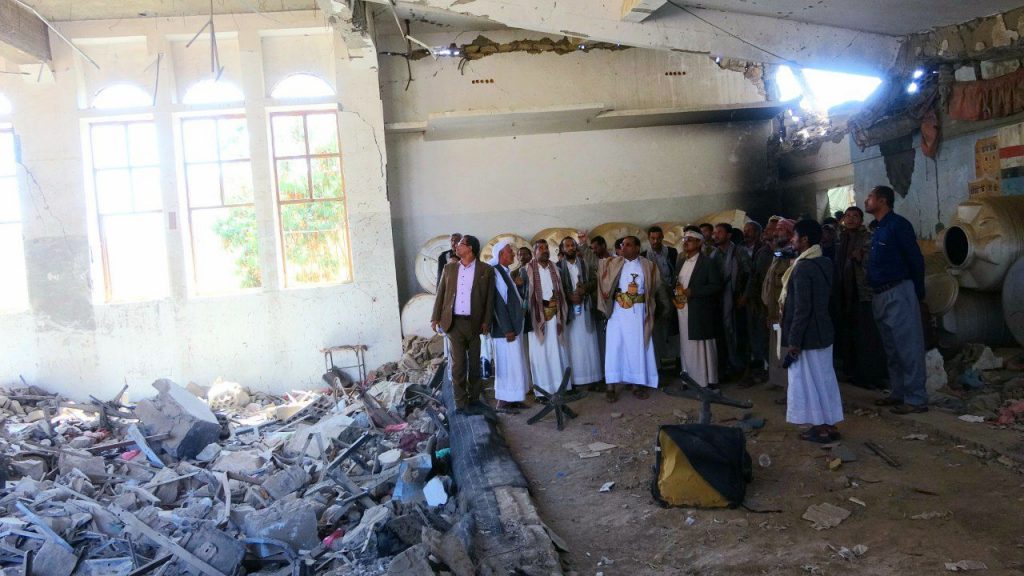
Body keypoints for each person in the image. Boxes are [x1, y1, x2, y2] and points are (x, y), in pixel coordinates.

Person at [865, 185, 928, 414]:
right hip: (880, 294)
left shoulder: (898, 225)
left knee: (908, 347)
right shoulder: (878, 229)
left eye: (870, 197)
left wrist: (917, 292)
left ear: (882, 201)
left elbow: (915, 260)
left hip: (898, 291)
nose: (866, 200)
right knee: (892, 348)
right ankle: (898, 392)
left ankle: (916, 399)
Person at [781, 219, 843, 443]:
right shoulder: (824, 262)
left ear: (805, 240)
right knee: (824, 379)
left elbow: (802, 308)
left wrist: (794, 341)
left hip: (808, 336)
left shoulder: (802, 268)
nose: (792, 240)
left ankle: (821, 428)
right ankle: (829, 424)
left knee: (809, 382)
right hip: (823, 331)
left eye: (795, 236)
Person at [431, 235, 495, 414]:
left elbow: (490, 299)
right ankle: (460, 403)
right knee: (458, 365)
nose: (456, 247)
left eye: (461, 244)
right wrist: (435, 317)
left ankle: (474, 399)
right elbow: (441, 294)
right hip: (454, 323)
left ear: (470, 248)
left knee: (474, 364)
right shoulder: (449, 268)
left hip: (475, 323)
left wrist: (486, 321)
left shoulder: (485, 270)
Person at [597, 236, 661, 402]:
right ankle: (610, 387)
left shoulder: (648, 266)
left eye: (628, 245)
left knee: (636, 348)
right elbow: (602, 277)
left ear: (638, 248)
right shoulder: (613, 263)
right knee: (614, 347)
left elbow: (655, 287)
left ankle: (636, 384)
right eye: (622, 245)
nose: (623, 247)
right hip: (617, 312)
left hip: (638, 313)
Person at [835, 206, 888, 388]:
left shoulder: (868, 238)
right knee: (848, 333)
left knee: (866, 335)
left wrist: (861, 258)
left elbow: (874, 261)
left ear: (861, 219)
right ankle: (851, 371)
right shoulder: (841, 239)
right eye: (848, 216)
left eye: (855, 216)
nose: (850, 219)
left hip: (863, 293)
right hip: (845, 294)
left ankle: (869, 376)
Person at [520, 239, 570, 398]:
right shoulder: (525, 270)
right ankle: (543, 392)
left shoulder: (556, 268)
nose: (544, 250)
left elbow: (562, 291)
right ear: (534, 252)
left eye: (546, 247)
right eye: (540, 248)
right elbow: (523, 296)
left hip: (555, 316)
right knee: (540, 354)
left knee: (557, 352)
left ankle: (561, 388)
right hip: (537, 319)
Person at [674, 230, 724, 388]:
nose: (685, 242)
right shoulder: (681, 261)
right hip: (683, 310)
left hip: (700, 310)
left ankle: (706, 380)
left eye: (690, 239)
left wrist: (694, 292)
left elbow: (716, 286)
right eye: (685, 239)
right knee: (686, 344)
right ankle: (688, 379)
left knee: (702, 346)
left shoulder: (707, 262)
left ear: (699, 243)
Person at [557, 236, 603, 389]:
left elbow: (594, 281)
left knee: (590, 343)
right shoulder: (558, 267)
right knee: (573, 345)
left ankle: (594, 378)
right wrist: (569, 296)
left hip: (586, 308)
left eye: (573, 245)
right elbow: (557, 288)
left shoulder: (584, 263)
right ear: (562, 249)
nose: (571, 248)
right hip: (569, 312)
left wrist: (585, 289)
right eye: (567, 246)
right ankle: (576, 381)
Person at [489, 241, 530, 412]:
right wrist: (507, 329)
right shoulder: (495, 272)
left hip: (513, 326)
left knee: (515, 364)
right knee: (506, 365)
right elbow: (498, 303)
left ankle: (515, 398)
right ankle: (503, 401)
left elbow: (511, 299)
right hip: (505, 330)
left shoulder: (504, 271)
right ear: (500, 255)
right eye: (510, 252)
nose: (513, 254)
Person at [710, 222, 751, 380]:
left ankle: (744, 370)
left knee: (739, 335)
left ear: (729, 235)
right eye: (715, 232)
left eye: (719, 232)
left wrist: (744, 296)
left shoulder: (739, 252)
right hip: (720, 301)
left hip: (736, 299)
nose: (716, 235)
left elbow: (750, 275)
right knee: (723, 336)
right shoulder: (713, 254)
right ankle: (728, 368)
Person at [763, 219, 796, 392]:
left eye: (781, 229)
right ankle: (776, 379)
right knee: (774, 345)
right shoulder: (779, 253)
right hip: (773, 308)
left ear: (790, 233)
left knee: (784, 345)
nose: (776, 232)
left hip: (784, 310)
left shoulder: (792, 254)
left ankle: (788, 385)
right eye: (776, 229)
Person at [743, 217, 777, 385]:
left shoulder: (781, 253)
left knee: (773, 338)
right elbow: (754, 276)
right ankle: (765, 369)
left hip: (774, 302)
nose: (766, 231)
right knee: (760, 337)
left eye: (770, 229)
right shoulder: (762, 252)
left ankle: (775, 373)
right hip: (758, 301)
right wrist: (749, 296)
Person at [642, 226, 678, 373]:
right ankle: (660, 362)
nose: (655, 241)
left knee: (674, 329)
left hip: (672, 293)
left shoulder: (672, 252)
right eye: (653, 238)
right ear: (649, 238)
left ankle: (677, 360)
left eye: (658, 238)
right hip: (655, 297)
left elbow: (676, 271)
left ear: (663, 238)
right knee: (657, 330)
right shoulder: (644, 255)